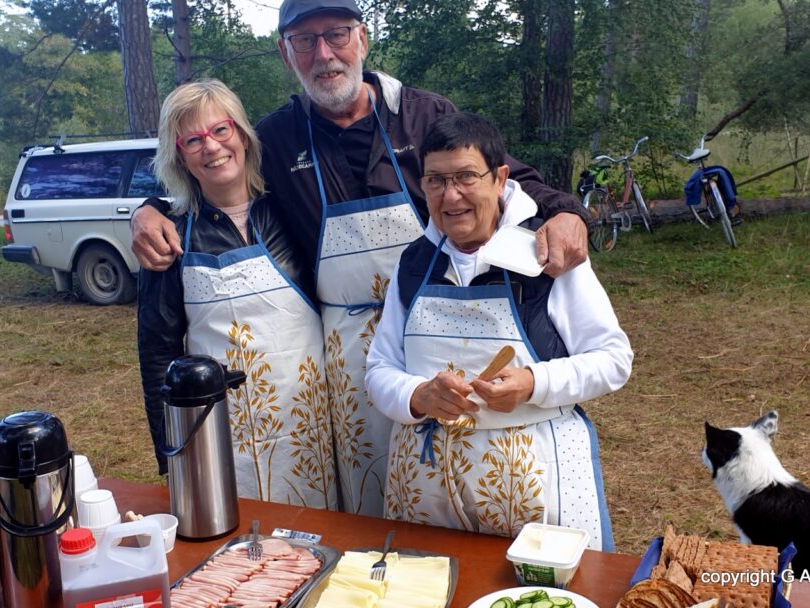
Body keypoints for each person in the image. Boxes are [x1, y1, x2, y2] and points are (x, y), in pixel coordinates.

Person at [130, 0, 590, 517]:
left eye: (337, 35)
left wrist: (567, 210)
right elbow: (207, 165)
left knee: (449, 479)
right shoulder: (278, 137)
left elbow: (500, 173)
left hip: (434, 333)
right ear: (287, 54)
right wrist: (148, 210)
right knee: (364, 491)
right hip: (343, 358)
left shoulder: (424, 114)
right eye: (305, 41)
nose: (324, 54)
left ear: (363, 39)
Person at [365, 112, 633, 550]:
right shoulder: (415, 261)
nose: (451, 196)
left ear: (500, 177)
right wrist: (418, 396)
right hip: (429, 489)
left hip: (535, 485)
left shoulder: (545, 253)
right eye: (435, 181)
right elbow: (379, 368)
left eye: (466, 177)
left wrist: (533, 383)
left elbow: (613, 358)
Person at [137, 79, 337, 510]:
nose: (211, 147)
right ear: (181, 157)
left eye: (221, 130)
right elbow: (157, 354)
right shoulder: (169, 236)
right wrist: (170, 454)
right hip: (219, 433)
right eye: (193, 139)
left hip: (310, 426)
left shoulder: (293, 207)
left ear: (243, 135)